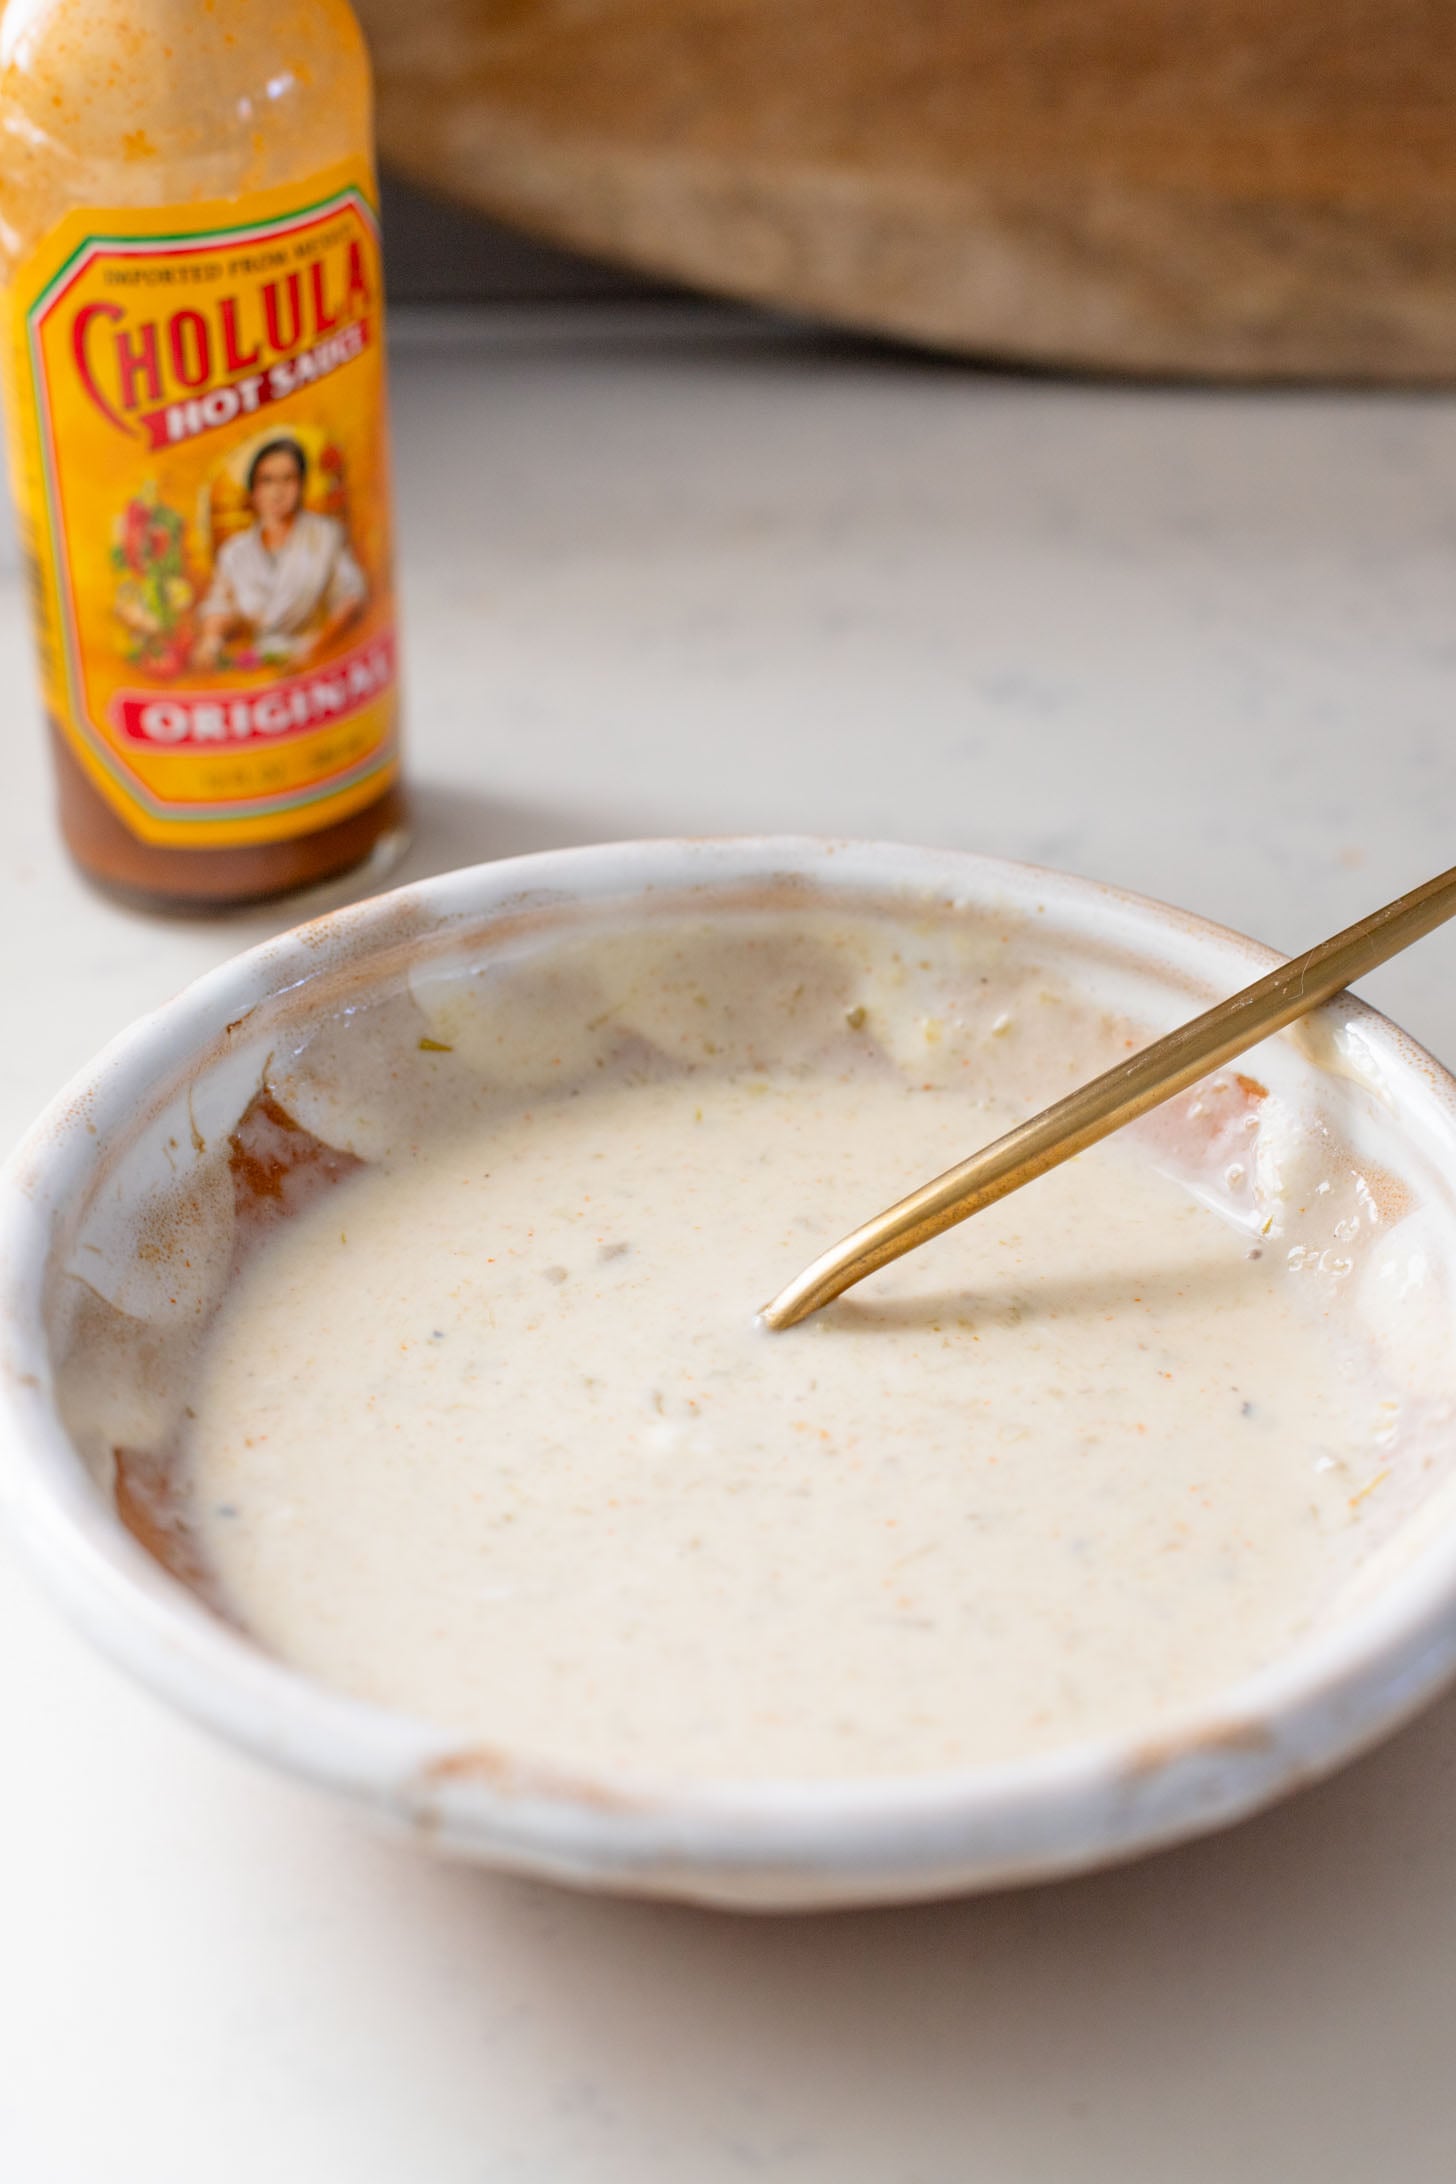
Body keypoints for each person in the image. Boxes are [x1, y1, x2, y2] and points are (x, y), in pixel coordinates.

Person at [190, 435, 366, 671]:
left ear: (300, 485)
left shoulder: (325, 535)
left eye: (288, 479)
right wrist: (210, 643)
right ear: (254, 491)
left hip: (316, 660)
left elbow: (351, 597)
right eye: (267, 481)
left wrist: (313, 651)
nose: (278, 491)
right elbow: (219, 605)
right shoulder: (235, 552)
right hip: (258, 663)